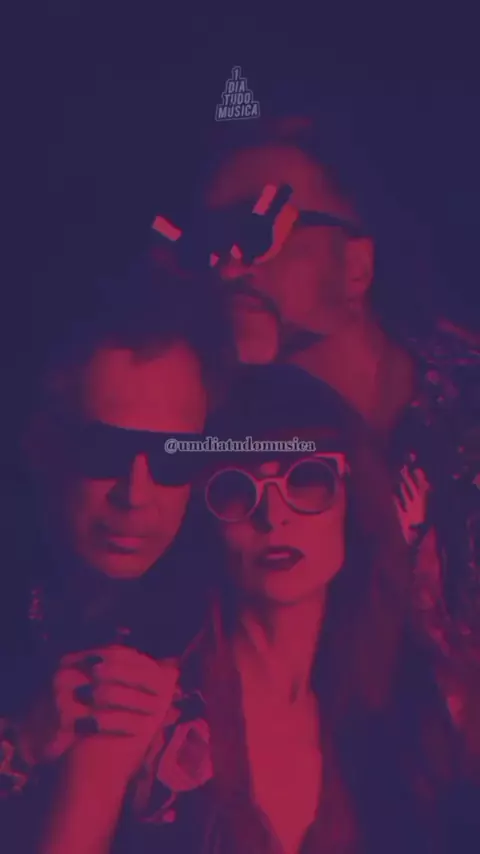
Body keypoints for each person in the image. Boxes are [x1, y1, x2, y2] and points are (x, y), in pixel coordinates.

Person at [35, 366, 480, 854]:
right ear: (205, 519)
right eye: (235, 489)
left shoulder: (413, 702)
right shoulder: (136, 699)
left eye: (307, 479)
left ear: (353, 501)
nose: (273, 515)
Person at [169, 100, 480, 694]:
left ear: (356, 266)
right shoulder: (208, 449)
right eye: (210, 241)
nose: (228, 266)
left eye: (261, 227)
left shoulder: (467, 402)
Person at [0, 254, 229, 848]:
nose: (136, 493)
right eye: (104, 451)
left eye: (174, 457)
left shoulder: (236, 601)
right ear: (42, 446)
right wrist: (19, 743)